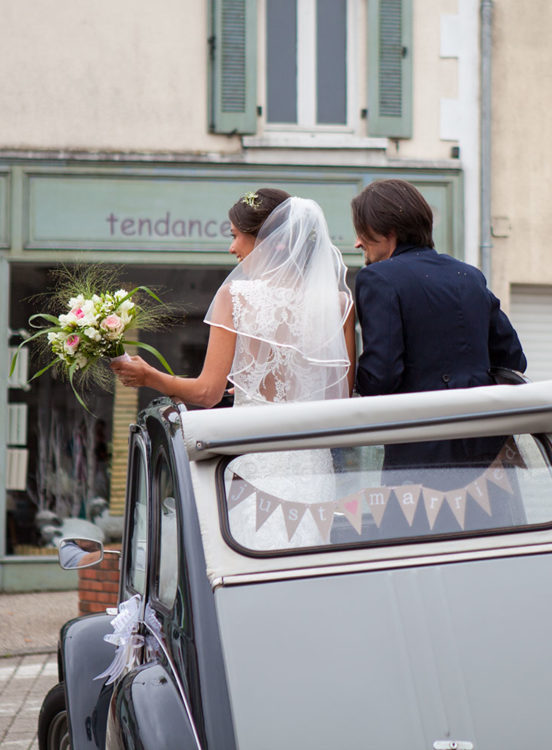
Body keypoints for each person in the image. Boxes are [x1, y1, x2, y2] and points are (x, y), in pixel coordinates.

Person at [112, 188, 356, 548]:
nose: (231, 248)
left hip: (256, 466)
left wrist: (150, 376)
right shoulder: (338, 305)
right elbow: (341, 396)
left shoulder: (237, 297)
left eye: (236, 236)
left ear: (271, 242)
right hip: (313, 470)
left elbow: (207, 394)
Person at [351, 178, 527, 530]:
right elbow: (513, 358)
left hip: (419, 462)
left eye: (363, 233)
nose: (357, 243)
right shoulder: (469, 275)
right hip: (488, 464)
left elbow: (381, 375)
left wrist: (350, 386)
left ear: (388, 231)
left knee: (416, 568)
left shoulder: (379, 279)